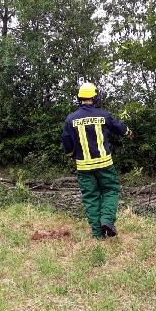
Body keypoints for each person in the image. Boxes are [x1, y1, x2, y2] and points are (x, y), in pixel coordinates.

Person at [61, 83, 131, 239]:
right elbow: (119, 127)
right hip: (104, 164)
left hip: (83, 167)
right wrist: (128, 132)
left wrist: (71, 155)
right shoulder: (103, 115)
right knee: (111, 190)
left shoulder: (70, 119)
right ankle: (106, 220)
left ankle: (98, 235)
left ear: (79, 98)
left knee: (91, 198)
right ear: (95, 97)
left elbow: (66, 142)